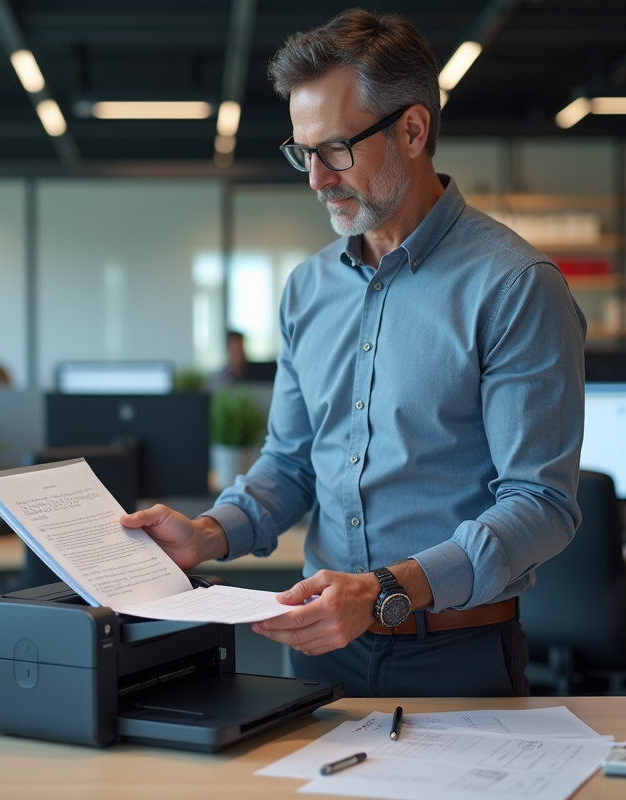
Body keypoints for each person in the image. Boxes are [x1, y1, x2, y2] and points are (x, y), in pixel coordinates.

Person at [122, 10, 586, 698]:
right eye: (303, 152)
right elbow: (291, 462)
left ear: (413, 128)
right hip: (318, 651)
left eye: (336, 149)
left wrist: (385, 592)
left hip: (455, 651)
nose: (315, 179)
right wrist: (208, 534)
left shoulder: (515, 285)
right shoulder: (308, 288)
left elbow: (541, 502)